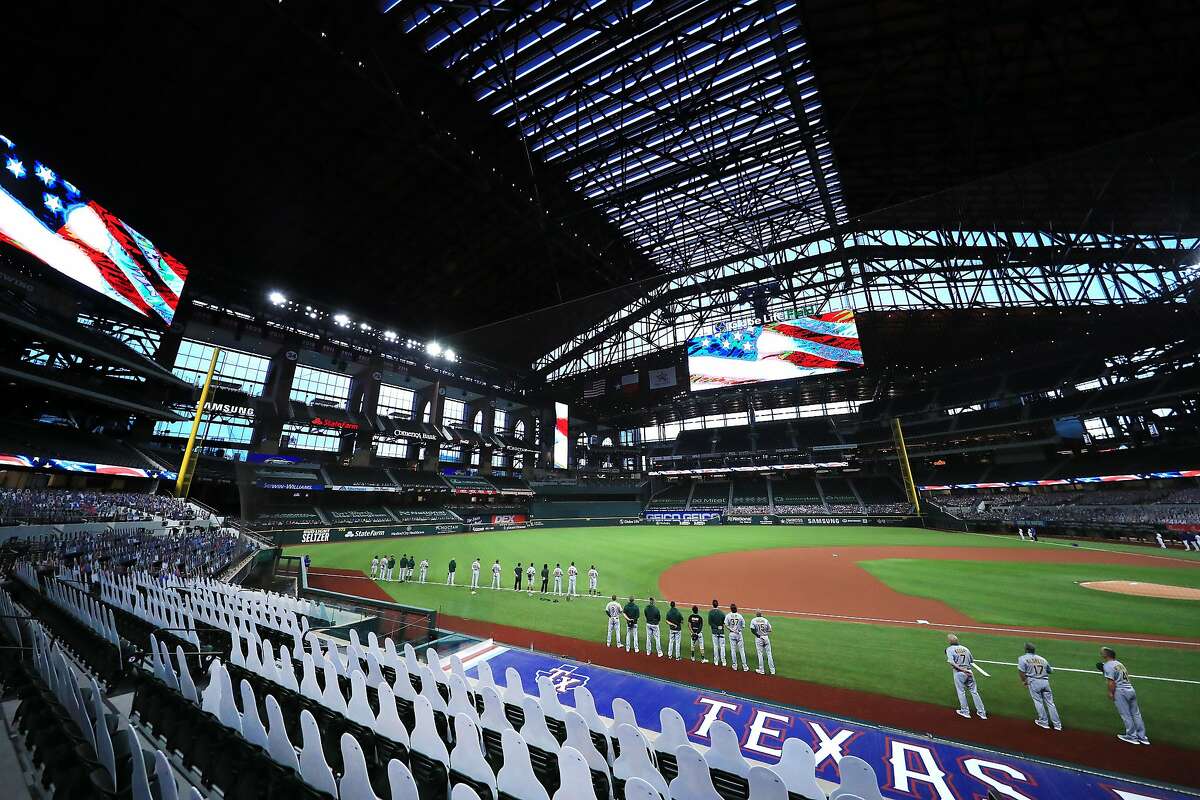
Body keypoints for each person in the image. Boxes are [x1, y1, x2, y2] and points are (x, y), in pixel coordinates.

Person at [1101, 647, 1148, 744]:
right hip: (1131, 690)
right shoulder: (1120, 664)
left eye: (1103, 652)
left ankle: (1131, 736)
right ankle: (1142, 737)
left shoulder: (1108, 665)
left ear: (1107, 655)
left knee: (1126, 714)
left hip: (1121, 692)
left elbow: (1111, 682)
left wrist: (1110, 693)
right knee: (1136, 714)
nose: (1101, 653)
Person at [1017, 643, 1060, 731]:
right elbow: (1050, 671)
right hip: (1045, 682)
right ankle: (1057, 725)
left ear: (1026, 650)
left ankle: (1044, 722)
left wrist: (1024, 681)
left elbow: (1021, 672)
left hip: (1034, 682)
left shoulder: (1022, 658)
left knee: (1038, 701)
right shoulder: (1042, 659)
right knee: (1051, 703)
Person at [946, 634, 986, 719]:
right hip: (969, 672)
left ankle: (965, 712)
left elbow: (951, 662)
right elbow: (971, 660)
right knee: (974, 692)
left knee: (961, 692)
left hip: (959, 673)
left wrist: (961, 669)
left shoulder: (949, 649)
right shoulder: (965, 648)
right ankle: (982, 713)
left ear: (949, 642)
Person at [726, 603, 749, 671]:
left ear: (731, 609)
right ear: (736, 609)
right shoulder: (740, 616)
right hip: (739, 634)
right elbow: (743, 625)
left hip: (732, 634)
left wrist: (731, 629)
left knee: (733, 650)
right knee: (742, 650)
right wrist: (739, 630)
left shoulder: (728, 616)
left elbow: (726, 624)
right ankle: (745, 666)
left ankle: (735, 666)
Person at [751, 611, 775, 675]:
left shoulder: (754, 620)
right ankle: (772, 671)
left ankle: (761, 670)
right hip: (766, 638)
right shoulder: (765, 620)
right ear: (761, 615)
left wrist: (758, 635)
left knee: (760, 654)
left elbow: (752, 629)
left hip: (759, 638)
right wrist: (765, 634)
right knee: (769, 654)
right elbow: (770, 630)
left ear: (756, 615)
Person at [708, 600, 727, 666]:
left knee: (715, 646)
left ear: (712, 605)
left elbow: (710, 623)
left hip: (714, 632)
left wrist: (715, 627)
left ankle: (716, 661)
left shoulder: (710, 613)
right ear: (717, 605)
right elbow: (724, 622)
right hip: (721, 632)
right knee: (722, 647)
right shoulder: (721, 612)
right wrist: (720, 627)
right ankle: (723, 662)